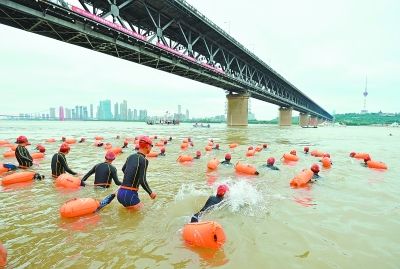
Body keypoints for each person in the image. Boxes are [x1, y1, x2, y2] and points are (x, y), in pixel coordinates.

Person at [117, 136, 157, 210]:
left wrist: (131, 177)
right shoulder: (144, 160)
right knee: (144, 214)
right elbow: (142, 180)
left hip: (120, 192)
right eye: (151, 146)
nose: (151, 148)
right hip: (130, 194)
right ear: (147, 146)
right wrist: (150, 193)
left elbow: (123, 169)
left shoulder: (130, 156)